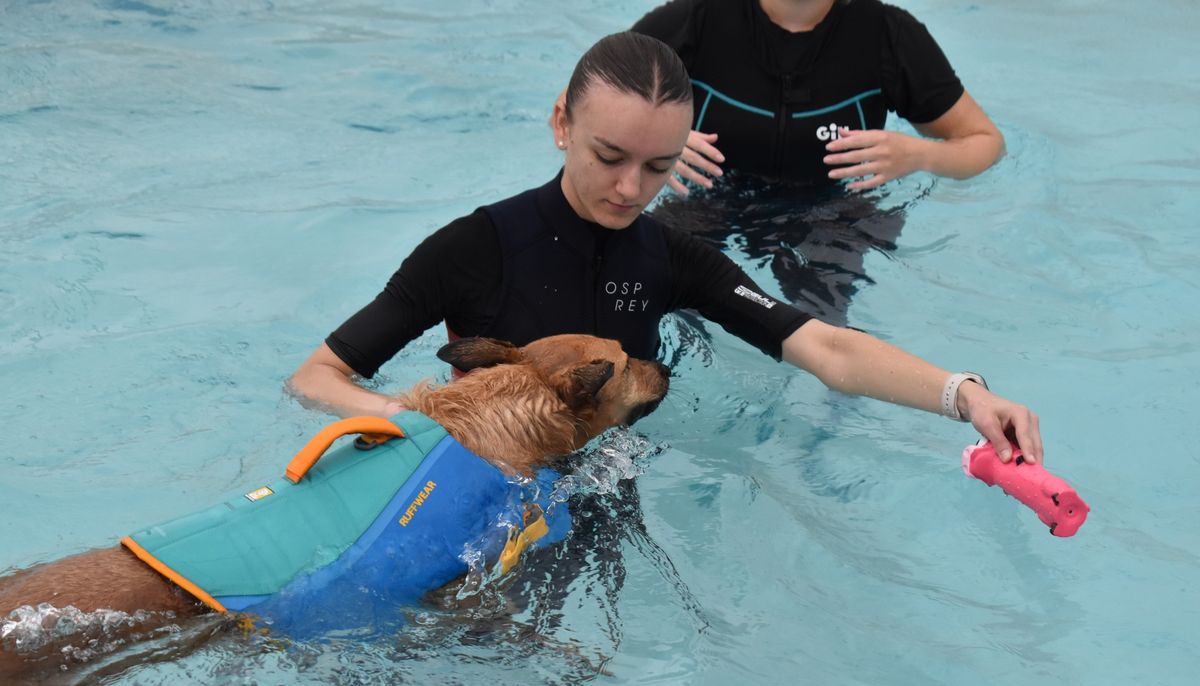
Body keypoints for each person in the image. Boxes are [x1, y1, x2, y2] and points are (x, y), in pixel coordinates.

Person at [288, 31, 1041, 469]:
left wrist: (965, 394)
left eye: (657, 167)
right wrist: (428, 430)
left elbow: (829, 351)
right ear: (561, 123)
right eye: (608, 155)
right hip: (470, 467)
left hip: (607, 474)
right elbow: (317, 376)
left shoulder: (672, 258)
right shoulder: (472, 248)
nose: (627, 189)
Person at [629, 0, 1005, 323]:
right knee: (652, 305)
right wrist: (660, 143)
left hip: (832, 211)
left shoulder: (888, 36)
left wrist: (919, 154)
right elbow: (580, 106)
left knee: (823, 328)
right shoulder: (699, 19)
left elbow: (985, 142)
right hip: (708, 197)